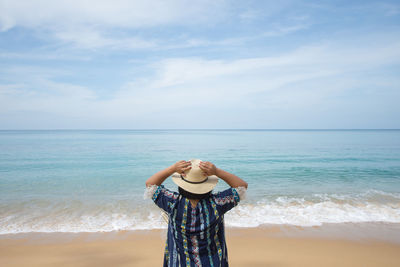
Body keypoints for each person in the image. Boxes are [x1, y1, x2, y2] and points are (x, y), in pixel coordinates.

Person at [145, 159, 248, 267]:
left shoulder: (173, 202)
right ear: (208, 185)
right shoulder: (217, 203)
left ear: (182, 186)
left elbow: (150, 185)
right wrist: (217, 171)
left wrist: (173, 169)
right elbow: (241, 187)